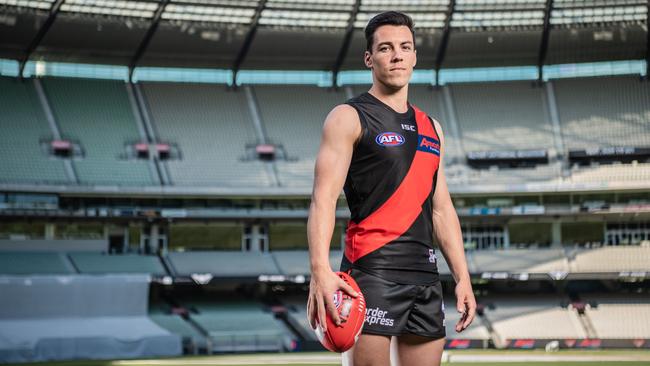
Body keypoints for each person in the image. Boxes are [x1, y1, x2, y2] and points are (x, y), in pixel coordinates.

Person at [307, 11, 476, 366]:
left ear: (415, 56)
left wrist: (462, 277)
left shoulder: (433, 128)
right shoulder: (348, 117)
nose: (397, 55)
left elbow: (441, 209)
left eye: (405, 47)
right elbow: (323, 200)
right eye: (386, 48)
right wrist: (320, 271)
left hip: (425, 278)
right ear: (369, 58)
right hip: (371, 273)